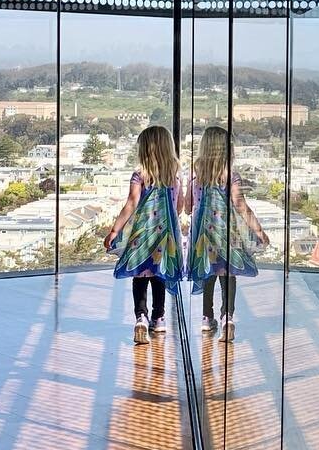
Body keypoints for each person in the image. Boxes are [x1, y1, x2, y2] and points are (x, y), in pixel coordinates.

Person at [186, 125, 269, 340]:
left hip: (203, 231)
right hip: (227, 230)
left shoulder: (196, 175)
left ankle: (206, 318)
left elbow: (188, 206)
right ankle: (228, 317)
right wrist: (258, 230)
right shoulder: (231, 176)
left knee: (208, 272)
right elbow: (240, 205)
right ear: (227, 149)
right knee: (228, 273)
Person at [105, 124, 185, 345]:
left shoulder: (139, 174)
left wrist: (115, 230)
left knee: (140, 276)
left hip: (142, 234)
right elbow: (180, 205)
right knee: (160, 275)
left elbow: (131, 203)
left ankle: (141, 317)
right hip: (166, 235)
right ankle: (159, 319)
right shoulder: (175, 175)